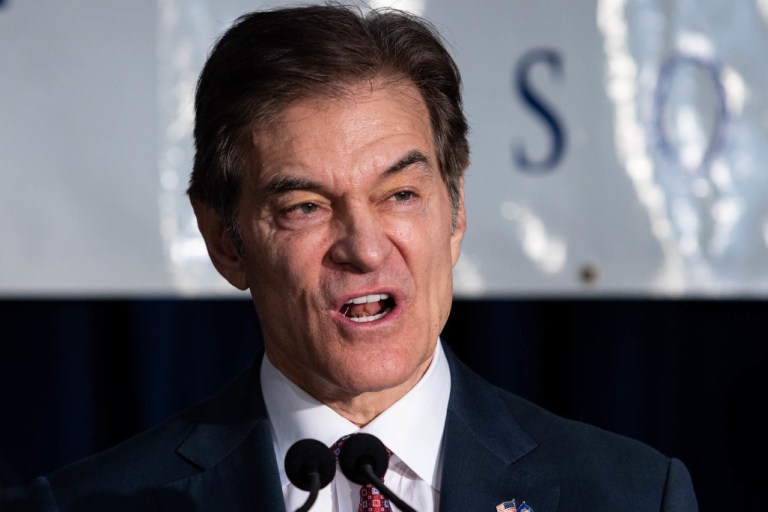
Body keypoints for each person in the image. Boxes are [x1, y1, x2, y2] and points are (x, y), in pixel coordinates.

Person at [25, 4, 699, 511]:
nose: (366, 248)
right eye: (306, 207)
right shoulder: (94, 503)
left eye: (401, 193)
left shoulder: (632, 493)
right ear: (226, 240)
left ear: (457, 209)